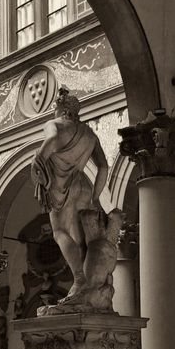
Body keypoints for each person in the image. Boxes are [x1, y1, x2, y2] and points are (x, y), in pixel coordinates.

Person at [31, 86, 108, 302]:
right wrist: (96, 196)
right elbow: (103, 167)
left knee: (60, 232)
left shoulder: (54, 125)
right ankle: (89, 285)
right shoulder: (89, 134)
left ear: (61, 110)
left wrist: (39, 159)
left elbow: (52, 139)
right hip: (82, 183)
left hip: (60, 185)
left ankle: (79, 278)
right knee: (81, 237)